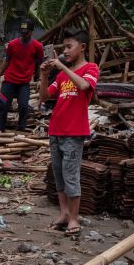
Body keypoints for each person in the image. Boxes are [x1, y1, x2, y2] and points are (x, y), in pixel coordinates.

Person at [38, 28, 98, 238]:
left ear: (82, 47)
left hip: (74, 131)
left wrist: (61, 65)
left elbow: (83, 86)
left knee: (71, 175)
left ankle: (74, 217)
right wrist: (44, 75)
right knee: (59, 175)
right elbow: (45, 96)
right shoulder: (62, 75)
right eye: (63, 47)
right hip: (56, 129)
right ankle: (64, 214)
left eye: (68, 46)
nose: (65, 51)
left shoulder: (91, 68)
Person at [0, 18, 43, 132]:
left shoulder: (37, 46)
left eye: (26, 32)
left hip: (24, 83)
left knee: (23, 106)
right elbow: (7, 60)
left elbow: (40, 64)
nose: (24, 35)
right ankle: (0, 128)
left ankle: (21, 129)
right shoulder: (13, 44)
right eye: (22, 32)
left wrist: (40, 79)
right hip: (9, 80)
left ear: (31, 32)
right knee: (3, 104)